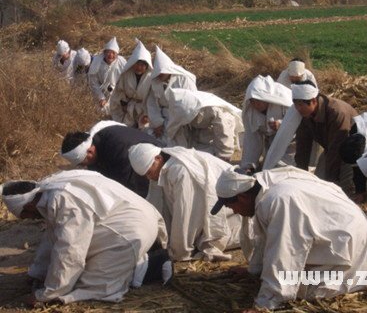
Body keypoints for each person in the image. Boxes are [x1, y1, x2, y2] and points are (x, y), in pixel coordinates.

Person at [210, 166, 367, 311]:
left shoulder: (278, 201)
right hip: (337, 227)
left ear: (241, 196)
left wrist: (264, 305)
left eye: (230, 205)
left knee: (305, 289)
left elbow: (286, 252)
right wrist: (254, 271)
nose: (233, 211)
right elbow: (267, 239)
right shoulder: (265, 185)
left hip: (345, 235)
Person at [0, 170, 170, 304]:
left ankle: (152, 266)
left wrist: (49, 294)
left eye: (27, 216)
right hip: (129, 219)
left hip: (131, 230)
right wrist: (37, 273)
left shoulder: (64, 200)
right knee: (71, 274)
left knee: (89, 286)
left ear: (28, 205)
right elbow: (52, 238)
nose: (31, 219)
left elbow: (70, 251)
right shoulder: (50, 188)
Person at [128, 143, 244, 261]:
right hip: (209, 215)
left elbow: (186, 215)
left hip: (234, 212)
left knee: (235, 236)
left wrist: (179, 251)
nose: (149, 177)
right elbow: (156, 204)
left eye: (149, 172)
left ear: (158, 159)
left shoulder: (181, 170)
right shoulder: (162, 167)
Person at [263, 81, 357, 193]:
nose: (297, 109)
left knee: (341, 189)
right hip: (330, 149)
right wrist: (301, 175)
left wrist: (332, 181)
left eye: (300, 105)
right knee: (317, 184)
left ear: (313, 101)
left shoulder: (336, 113)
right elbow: (303, 144)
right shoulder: (304, 114)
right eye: (296, 104)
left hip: (351, 152)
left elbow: (336, 149)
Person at [61, 120, 160, 197]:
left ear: (90, 152)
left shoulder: (117, 145)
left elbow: (126, 187)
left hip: (158, 169)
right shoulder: (97, 144)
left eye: (83, 163)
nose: (85, 166)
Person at [165, 88, 244, 162]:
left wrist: (224, 154)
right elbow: (175, 129)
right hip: (202, 131)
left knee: (217, 155)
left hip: (223, 127)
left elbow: (223, 131)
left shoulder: (214, 110)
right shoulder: (180, 107)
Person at [240, 75, 294, 171]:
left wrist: (282, 125)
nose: (256, 105)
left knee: (284, 168)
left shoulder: (286, 103)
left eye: (259, 101)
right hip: (270, 141)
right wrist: (249, 165)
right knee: (268, 167)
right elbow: (252, 140)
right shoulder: (250, 112)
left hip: (291, 141)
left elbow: (297, 124)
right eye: (253, 101)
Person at [145, 46, 197, 145]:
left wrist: (176, 122)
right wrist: (157, 123)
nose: (160, 74)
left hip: (180, 120)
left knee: (179, 145)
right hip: (163, 119)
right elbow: (152, 104)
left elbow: (190, 102)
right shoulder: (155, 82)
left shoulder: (184, 79)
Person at [110, 39, 152, 127]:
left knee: (145, 131)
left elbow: (153, 99)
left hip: (144, 110)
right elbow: (119, 91)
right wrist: (123, 104)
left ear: (147, 66)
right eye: (137, 64)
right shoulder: (126, 74)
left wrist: (147, 115)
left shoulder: (151, 78)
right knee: (125, 129)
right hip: (128, 108)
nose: (139, 67)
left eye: (142, 65)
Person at [88, 37, 127, 116]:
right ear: (104, 53)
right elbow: (94, 82)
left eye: (113, 53)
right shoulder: (97, 62)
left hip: (119, 95)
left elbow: (126, 81)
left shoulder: (121, 63)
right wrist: (101, 98)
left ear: (117, 54)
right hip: (102, 93)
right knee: (100, 111)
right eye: (108, 52)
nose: (111, 55)